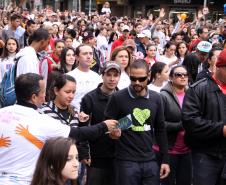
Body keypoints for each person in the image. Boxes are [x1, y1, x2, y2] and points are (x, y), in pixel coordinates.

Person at [0, 73, 118, 185]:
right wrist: (104, 126)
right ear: (34, 97)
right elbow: (77, 134)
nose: (45, 95)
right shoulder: (41, 120)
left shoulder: (2, 113)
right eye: (43, 92)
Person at [105, 59, 170, 185]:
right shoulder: (117, 97)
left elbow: (161, 130)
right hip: (125, 160)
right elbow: (107, 127)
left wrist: (165, 160)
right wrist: (115, 131)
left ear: (149, 76)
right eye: (133, 78)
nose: (137, 82)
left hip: (150, 160)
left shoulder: (156, 98)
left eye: (141, 79)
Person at [182, 49, 226, 185]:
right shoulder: (198, 89)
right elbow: (190, 122)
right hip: (205, 155)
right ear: (219, 67)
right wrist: (221, 129)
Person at [80, 62, 121, 185]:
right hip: (96, 156)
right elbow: (83, 128)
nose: (112, 79)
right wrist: (84, 152)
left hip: (118, 156)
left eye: (115, 75)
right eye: (109, 75)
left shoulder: (123, 97)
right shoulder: (89, 98)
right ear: (102, 75)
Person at [156, 66, 191, 185]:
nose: (183, 77)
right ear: (171, 77)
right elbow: (158, 124)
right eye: (178, 74)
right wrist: (180, 126)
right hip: (169, 151)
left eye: (185, 75)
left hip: (187, 150)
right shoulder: (163, 96)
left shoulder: (192, 94)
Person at [67, 44, 102, 111]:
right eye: (85, 54)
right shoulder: (69, 76)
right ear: (77, 57)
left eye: (91, 54)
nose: (88, 56)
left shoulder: (97, 78)